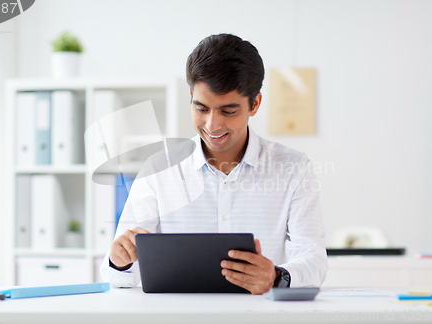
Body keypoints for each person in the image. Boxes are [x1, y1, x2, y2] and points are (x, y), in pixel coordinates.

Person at [101, 33, 327, 294]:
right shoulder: (158, 169)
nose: (212, 125)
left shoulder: (294, 168)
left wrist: (277, 276)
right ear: (190, 96)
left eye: (228, 111)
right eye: (201, 108)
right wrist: (119, 262)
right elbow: (118, 277)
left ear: (255, 104)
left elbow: (314, 260)